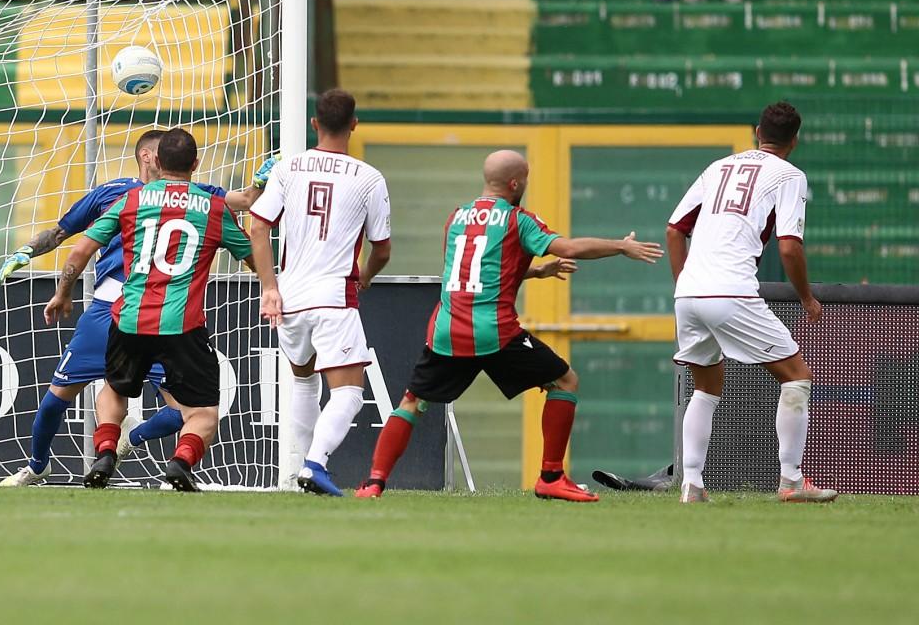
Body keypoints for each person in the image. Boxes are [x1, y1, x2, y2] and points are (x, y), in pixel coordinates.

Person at [356, 150, 664, 501]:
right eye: (526, 180)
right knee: (565, 380)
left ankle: (373, 483)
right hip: (494, 332)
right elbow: (570, 247)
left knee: (412, 401)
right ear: (515, 183)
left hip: (446, 330)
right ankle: (550, 476)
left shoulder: (456, 218)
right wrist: (621, 247)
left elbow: (469, 272)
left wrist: (532, 271)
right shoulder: (519, 220)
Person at [0, 129, 272, 487]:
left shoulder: (189, 195)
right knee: (58, 400)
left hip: (129, 315)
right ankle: (37, 466)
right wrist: (27, 252)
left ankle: (120, 444)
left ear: (160, 160)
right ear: (148, 157)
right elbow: (62, 233)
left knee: (152, 404)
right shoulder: (118, 193)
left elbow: (245, 198)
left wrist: (258, 186)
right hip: (120, 312)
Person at [668, 101, 836, 504]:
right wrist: (808, 299)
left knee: (706, 387)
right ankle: (792, 480)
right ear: (794, 140)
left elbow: (675, 231)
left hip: (688, 293)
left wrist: (687, 285)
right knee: (796, 376)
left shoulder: (717, 167)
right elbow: (790, 248)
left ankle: (692, 484)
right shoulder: (789, 175)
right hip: (731, 290)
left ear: (758, 132)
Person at [250, 88, 392, 496]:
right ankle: (315, 464)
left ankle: (298, 470)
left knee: (304, 381)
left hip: (289, 297)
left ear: (314, 124)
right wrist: (364, 276)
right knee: (348, 392)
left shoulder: (287, 167)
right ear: (354, 124)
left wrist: (269, 289)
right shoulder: (369, 178)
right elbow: (382, 249)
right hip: (333, 297)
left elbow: (258, 226)